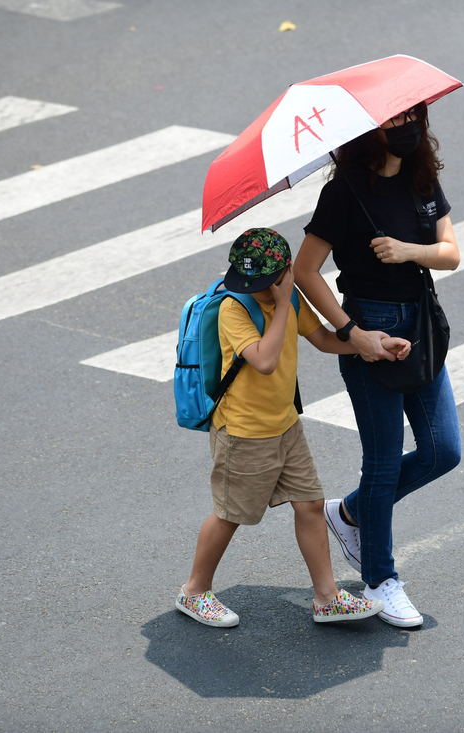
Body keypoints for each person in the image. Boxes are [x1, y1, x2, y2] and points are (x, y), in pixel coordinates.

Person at [176, 227, 411, 627]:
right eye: (253, 284)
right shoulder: (235, 308)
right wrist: (282, 302)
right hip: (244, 434)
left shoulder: (288, 299)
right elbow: (264, 360)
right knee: (231, 514)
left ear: (285, 272)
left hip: (285, 425)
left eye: (267, 283)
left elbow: (321, 337)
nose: (259, 291)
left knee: (310, 505)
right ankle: (194, 592)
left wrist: (369, 343)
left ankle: (327, 598)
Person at [295, 102, 462, 628]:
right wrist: (352, 333)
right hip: (371, 324)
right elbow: (305, 271)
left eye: (414, 117)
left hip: (421, 322)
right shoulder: (344, 189)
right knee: (384, 461)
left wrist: (408, 250)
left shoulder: (421, 177)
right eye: (393, 121)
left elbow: (451, 253)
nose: (406, 127)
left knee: (443, 451)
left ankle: (350, 513)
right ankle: (381, 580)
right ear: (370, 131)